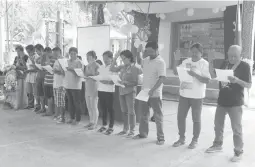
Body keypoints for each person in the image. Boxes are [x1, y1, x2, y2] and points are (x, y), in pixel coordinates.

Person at [205, 45, 252, 162]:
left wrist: (237, 80)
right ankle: (217, 144)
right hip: (222, 100)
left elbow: (249, 84)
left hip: (235, 103)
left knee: (236, 128)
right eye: (230, 55)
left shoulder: (245, 66)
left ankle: (238, 151)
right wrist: (210, 62)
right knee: (218, 125)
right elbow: (215, 76)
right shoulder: (225, 64)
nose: (232, 58)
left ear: (240, 55)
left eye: (235, 56)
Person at [172, 43, 211, 149]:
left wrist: (195, 75)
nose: (194, 54)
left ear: (201, 53)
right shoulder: (186, 61)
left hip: (197, 96)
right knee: (180, 117)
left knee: (196, 119)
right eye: (192, 52)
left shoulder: (204, 64)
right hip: (184, 94)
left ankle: (195, 140)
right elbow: (176, 72)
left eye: (196, 52)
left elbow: (207, 80)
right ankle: (181, 138)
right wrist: (176, 60)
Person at [133, 41, 166, 145]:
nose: (150, 53)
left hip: (155, 94)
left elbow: (162, 78)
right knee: (144, 114)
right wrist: (139, 52)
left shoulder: (160, 62)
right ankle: (143, 133)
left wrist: (153, 90)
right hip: (144, 93)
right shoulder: (146, 59)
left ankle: (161, 138)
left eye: (151, 51)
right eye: (147, 51)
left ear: (157, 50)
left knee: (157, 116)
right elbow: (139, 61)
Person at [110, 50, 142, 138]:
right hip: (121, 91)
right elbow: (112, 69)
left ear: (129, 58)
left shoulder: (135, 68)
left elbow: (136, 82)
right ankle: (125, 129)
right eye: (122, 59)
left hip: (130, 92)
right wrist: (115, 58)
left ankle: (132, 131)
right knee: (124, 111)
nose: (123, 60)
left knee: (131, 112)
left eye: (124, 59)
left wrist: (126, 82)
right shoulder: (122, 67)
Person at [97, 51, 116, 135]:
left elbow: (114, 81)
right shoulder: (101, 67)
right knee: (103, 109)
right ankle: (104, 125)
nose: (105, 60)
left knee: (110, 109)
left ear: (111, 58)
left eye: (106, 58)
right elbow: (99, 76)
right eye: (103, 58)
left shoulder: (114, 67)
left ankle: (111, 127)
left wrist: (107, 82)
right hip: (101, 90)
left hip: (109, 91)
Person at [64, 47, 83, 125]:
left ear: (77, 54)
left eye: (74, 53)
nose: (72, 55)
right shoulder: (67, 61)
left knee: (76, 103)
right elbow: (64, 71)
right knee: (70, 103)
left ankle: (78, 119)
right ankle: (72, 118)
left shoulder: (79, 62)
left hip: (76, 85)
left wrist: (71, 69)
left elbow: (80, 74)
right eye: (71, 53)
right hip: (68, 84)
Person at [84, 51, 100, 130]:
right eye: (86, 57)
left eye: (89, 57)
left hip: (94, 88)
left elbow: (97, 76)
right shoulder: (87, 66)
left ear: (93, 57)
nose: (87, 58)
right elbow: (85, 75)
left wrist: (90, 74)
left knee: (94, 106)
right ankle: (91, 121)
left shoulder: (97, 65)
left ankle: (95, 123)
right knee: (89, 106)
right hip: (87, 87)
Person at [52, 47, 66, 123]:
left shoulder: (64, 60)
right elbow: (54, 70)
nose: (54, 54)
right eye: (53, 53)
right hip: (55, 83)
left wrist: (57, 71)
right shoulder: (56, 61)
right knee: (57, 101)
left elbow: (64, 72)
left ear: (60, 52)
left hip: (61, 84)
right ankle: (58, 115)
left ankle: (62, 117)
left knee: (61, 101)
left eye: (56, 53)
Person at [24, 45, 40, 110]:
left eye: (29, 51)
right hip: (29, 75)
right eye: (27, 52)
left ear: (33, 50)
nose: (28, 53)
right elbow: (28, 66)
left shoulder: (37, 57)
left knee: (35, 92)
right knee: (29, 91)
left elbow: (37, 68)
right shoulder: (28, 57)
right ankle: (30, 104)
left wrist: (29, 70)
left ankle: (38, 105)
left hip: (35, 75)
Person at [42, 47, 56, 116]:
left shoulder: (54, 60)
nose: (46, 55)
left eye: (47, 54)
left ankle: (50, 111)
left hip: (52, 81)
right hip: (46, 80)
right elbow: (43, 68)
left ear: (50, 52)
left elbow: (53, 70)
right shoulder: (47, 60)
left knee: (51, 97)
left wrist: (49, 68)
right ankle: (49, 110)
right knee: (47, 97)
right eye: (45, 54)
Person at [14, 45, 28, 110]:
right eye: (16, 51)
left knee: (24, 90)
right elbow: (14, 65)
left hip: (24, 75)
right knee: (18, 90)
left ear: (22, 50)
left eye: (19, 51)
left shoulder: (26, 57)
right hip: (18, 75)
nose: (17, 53)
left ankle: (25, 104)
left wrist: (19, 67)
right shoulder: (16, 57)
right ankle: (18, 104)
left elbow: (26, 67)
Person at [34, 44, 46, 114]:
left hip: (45, 77)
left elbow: (46, 66)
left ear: (41, 49)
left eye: (37, 51)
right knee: (40, 93)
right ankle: (42, 107)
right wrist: (34, 64)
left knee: (45, 93)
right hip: (38, 76)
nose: (37, 53)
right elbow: (36, 68)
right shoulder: (38, 58)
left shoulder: (46, 56)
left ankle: (48, 108)